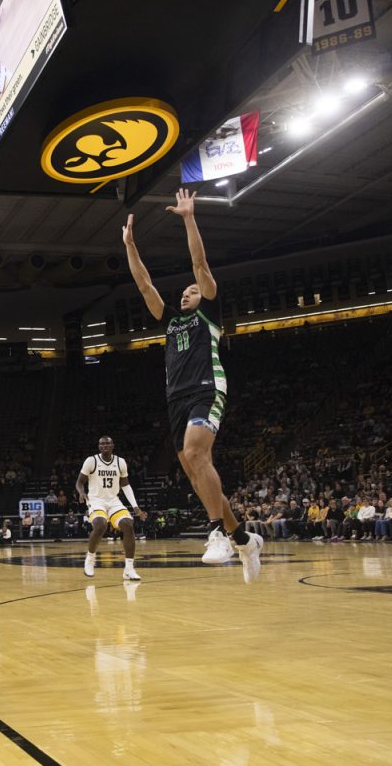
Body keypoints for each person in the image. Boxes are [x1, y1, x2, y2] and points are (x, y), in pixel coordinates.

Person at [123, 190, 262, 581]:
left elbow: (199, 262)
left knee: (196, 455)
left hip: (207, 388)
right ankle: (243, 538)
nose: (186, 292)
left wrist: (188, 218)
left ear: (204, 296)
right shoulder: (170, 321)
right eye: (183, 291)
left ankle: (216, 532)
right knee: (195, 468)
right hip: (176, 397)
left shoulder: (210, 313)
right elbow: (145, 285)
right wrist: (131, 246)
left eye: (192, 290)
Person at [75, 436, 146, 581]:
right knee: (101, 525)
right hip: (96, 500)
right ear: (99, 447)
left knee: (128, 524)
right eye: (102, 443)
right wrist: (81, 492)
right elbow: (79, 482)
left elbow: (125, 485)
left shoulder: (120, 462)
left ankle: (129, 569)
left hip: (113, 501)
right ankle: (90, 559)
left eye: (108, 443)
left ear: (113, 445)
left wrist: (136, 507)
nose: (105, 445)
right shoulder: (91, 461)